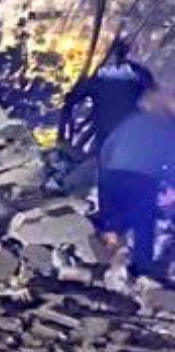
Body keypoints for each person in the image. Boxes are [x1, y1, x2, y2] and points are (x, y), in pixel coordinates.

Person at [97, 88, 175, 279]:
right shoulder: (165, 127)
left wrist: (104, 172)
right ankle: (142, 268)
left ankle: (102, 259)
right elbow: (170, 157)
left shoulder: (130, 122)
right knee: (143, 222)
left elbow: (108, 147)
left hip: (112, 174)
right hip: (142, 179)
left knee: (113, 219)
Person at [61, 38, 156, 171]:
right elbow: (151, 92)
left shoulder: (105, 74)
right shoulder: (139, 74)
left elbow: (81, 94)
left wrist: (72, 99)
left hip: (109, 125)